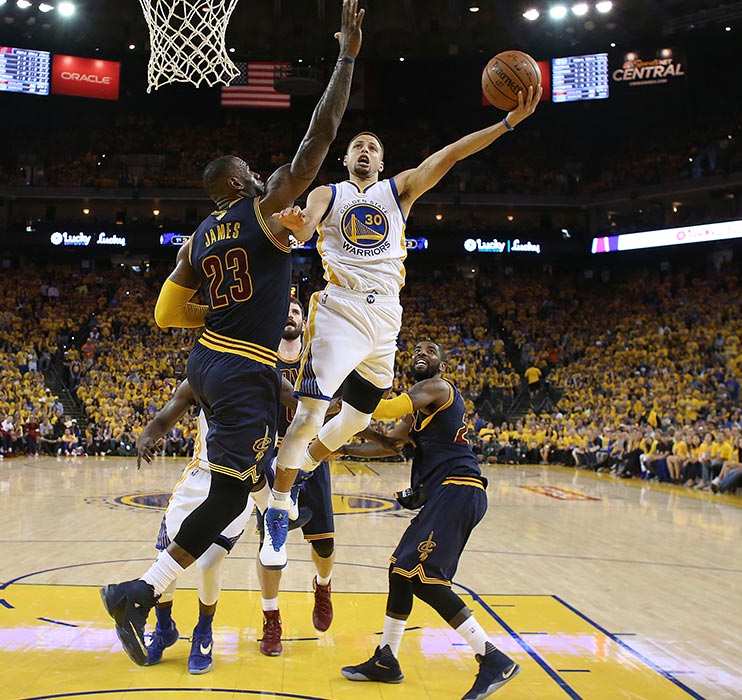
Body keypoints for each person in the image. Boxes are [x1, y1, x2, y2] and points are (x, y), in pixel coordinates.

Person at [101, 0, 364, 667]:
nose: (259, 172)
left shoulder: (197, 237)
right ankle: (138, 590)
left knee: (231, 490)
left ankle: (144, 590)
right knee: (229, 493)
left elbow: (166, 313)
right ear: (242, 182)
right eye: (251, 170)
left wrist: (213, 321)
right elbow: (319, 134)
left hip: (208, 365)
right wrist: (348, 56)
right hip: (244, 366)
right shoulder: (265, 203)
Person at [261, 84, 543, 568]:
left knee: (359, 418)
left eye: (372, 147)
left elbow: (453, 153)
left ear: (382, 161)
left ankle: (304, 467)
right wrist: (294, 223)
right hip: (341, 309)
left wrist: (507, 122)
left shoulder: (401, 189)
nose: (364, 151)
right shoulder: (330, 192)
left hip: (387, 316)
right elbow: (305, 229)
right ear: (347, 160)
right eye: (357, 147)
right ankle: (279, 509)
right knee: (311, 412)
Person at [336, 341, 520, 699]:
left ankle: (493, 658)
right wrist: (342, 446)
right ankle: (387, 659)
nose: (422, 352)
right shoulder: (416, 412)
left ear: (440, 364)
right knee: (400, 572)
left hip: (459, 487)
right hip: (445, 494)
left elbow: (385, 407)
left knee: (425, 578)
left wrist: (347, 382)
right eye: (416, 349)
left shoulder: (437, 388)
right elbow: (390, 444)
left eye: (430, 350)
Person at [134, 379, 274, 674]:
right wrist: (148, 434)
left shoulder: (265, 376)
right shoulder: (202, 373)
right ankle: (164, 627)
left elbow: (300, 409)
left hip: (238, 481)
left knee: (209, 564)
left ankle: (204, 632)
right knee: (166, 556)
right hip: (199, 475)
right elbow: (165, 416)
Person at [257, 296, 337, 655]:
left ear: (305, 322)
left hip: (310, 459)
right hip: (272, 461)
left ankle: (323, 586)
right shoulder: (260, 358)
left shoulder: (320, 358)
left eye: (295, 312)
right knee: (270, 545)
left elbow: (340, 405)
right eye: (283, 311)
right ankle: (271, 618)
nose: (289, 315)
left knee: (324, 543)